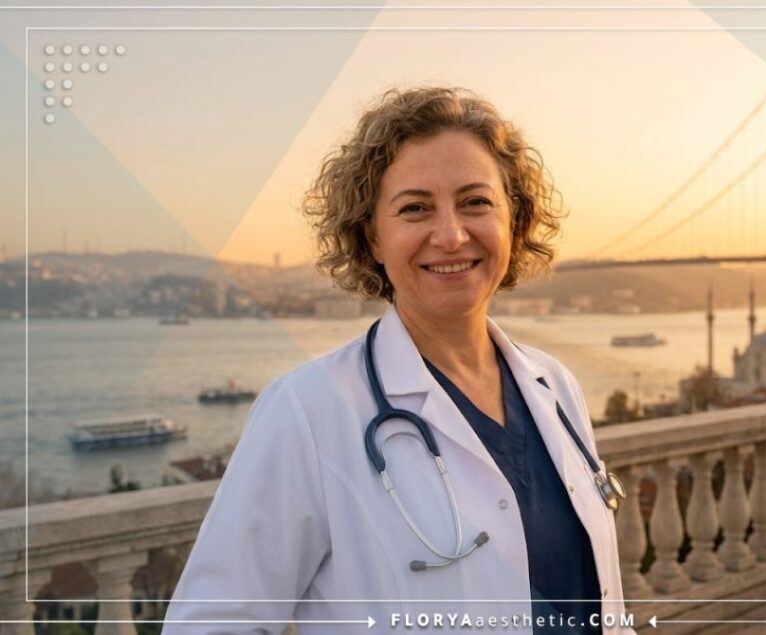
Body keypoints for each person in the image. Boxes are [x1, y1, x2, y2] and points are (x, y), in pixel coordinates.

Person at [164, 86, 635, 635]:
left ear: (514, 218)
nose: (451, 234)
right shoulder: (309, 411)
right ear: (373, 239)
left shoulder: (554, 386)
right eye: (415, 209)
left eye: (476, 202)